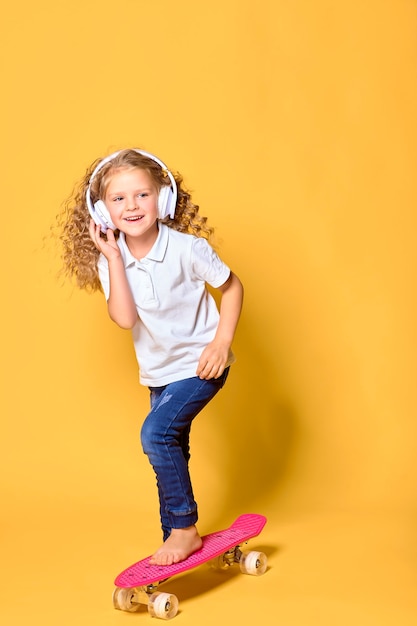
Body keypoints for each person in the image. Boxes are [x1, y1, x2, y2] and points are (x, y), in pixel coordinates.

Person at [57, 148, 243, 566]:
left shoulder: (187, 249)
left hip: (200, 366)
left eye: (142, 195)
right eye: (119, 199)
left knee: (154, 435)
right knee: (172, 445)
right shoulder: (113, 259)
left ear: (164, 198)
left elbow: (232, 288)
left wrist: (220, 342)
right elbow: (124, 318)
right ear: (102, 210)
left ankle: (183, 529)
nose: (132, 206)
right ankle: (174, 538)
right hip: (158, 374)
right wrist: (112, 258)